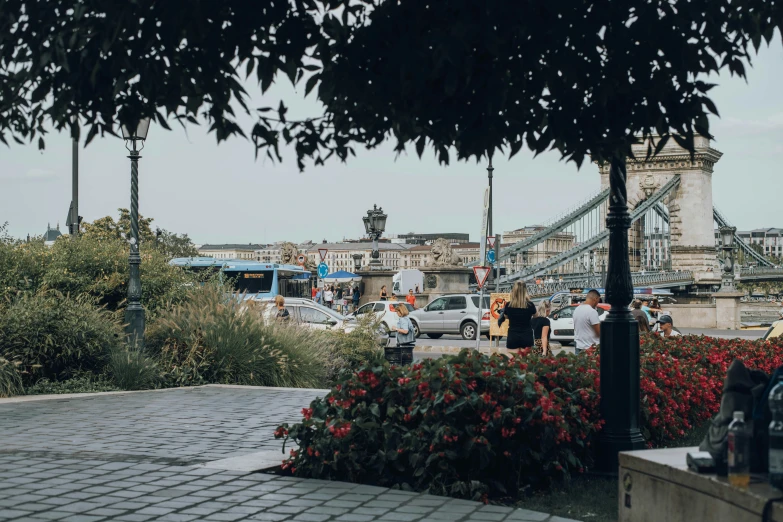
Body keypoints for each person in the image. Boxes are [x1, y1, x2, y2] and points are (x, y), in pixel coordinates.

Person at [498, 281, 537, 350]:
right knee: (526, 360)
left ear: (514, 291)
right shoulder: (530, 305)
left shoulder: (509, 305)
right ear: (525, 291)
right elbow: (536, 316)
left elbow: (506, 316)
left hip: (513, 336)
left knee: (513, 360)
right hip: (527, 336)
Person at [573, 289, 601, 354]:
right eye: (598, 301)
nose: (597, 303)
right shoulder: (592, 312)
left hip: (579, 346)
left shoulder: (577, 309)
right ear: (595, 299)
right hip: (591, 348)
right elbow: (598, 333)